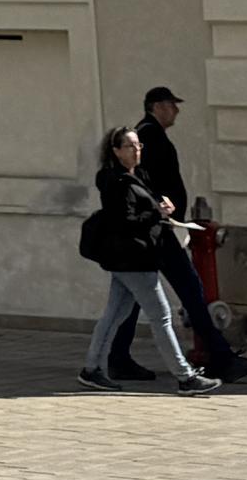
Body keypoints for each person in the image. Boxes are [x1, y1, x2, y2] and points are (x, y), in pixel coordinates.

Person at [114, 87, 247, 385]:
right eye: (171, 105)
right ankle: (221, 359)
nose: (176, 110)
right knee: (190, 290)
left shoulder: (150, 134)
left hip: (155, 229)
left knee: (131, 298)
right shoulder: (148, 136)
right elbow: (139, 180)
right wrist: (159, 208)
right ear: (157, 106)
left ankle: (116, 358)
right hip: (158, 230)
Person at [77, 124, 216, 394]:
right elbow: (124, 221)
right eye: (130, 146)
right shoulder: (116, 182)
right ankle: (185, 377)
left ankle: (92, 370)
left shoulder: (136, 176)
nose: (136, 150)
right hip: (133, 259)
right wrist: (156, 214)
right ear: (116, 151)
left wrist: (162, 207)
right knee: (161, 316)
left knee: (114, 315)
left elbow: (145, 209)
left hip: (134, 258)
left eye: (138, 145)